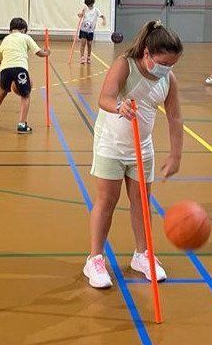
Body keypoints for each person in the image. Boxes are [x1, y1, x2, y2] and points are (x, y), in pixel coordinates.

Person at [83, 20, 184, 289]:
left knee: (141, 202)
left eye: (171, 65)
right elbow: (104, 97)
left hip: (143, 148)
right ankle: (94, 259)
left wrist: (176, 155)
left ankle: (143, 255)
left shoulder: (167, 79)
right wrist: (119, 106)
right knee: (107, 200)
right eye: (163, 63)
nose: (166, 69)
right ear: (147, 54)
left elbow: (174, 116)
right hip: (111, 146)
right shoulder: (125, 65)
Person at [0, 17, 50, 133]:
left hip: (5, 69)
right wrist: (47, 53)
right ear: (24, 29)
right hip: (20, 69)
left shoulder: (6, 39)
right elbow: (38, 52)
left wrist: (5, 72)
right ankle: (22, 124)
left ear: (10, 30)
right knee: (26, 95)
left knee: (2, 91)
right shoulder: (26, 37)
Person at [77, 0, 106, 64]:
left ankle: (89, 57)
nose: (90, 6)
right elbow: (81, 15)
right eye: (88, 5)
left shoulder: (96, 10)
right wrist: (80, 14)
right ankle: (82, 57)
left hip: (91, 30)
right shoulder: (85, 9)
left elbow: (102, 16)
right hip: (84, 29)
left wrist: (104, 20)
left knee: (89, 44)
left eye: (91, 4)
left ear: (93, 3)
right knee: (83, 43)